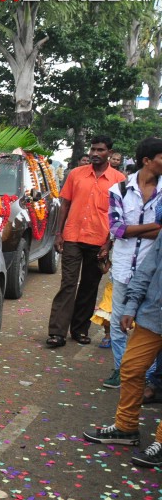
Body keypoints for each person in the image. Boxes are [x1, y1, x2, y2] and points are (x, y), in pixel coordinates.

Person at [83, 142, 162, 468]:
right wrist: (130, 306)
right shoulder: (121, 189)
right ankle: (127, 427)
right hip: (152, 308)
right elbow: (146, 260)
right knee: (130, 368)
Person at [45, 136, 126, 348]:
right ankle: (57, 332)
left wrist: (108, 244)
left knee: (89, 287)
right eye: (93, 149)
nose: (95, 153)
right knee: (68, 285)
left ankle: (80, 330)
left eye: (100, 150)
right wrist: (58, 233)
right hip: (73, 236)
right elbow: (65, 205)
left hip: (100, 241)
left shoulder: (118, 180)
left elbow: (119, 216)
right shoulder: (76, 174)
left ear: (109, 152)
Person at [102, 137, 162, 387]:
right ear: (147, 161)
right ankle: (121, 368)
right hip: (124, 267)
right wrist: (156, 227)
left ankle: (150, 377)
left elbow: (125, 229)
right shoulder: (120, 190)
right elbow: (116, 229)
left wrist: (131, 229)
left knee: (152, 325)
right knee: (118, 322)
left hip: (155, 271)